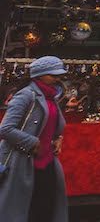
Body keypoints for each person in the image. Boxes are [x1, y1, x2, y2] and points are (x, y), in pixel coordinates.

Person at [0, 56, 70, 222]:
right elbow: (5, 128)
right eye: (53, 75)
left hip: (46, 161)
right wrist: (33, 143)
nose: (57, 78)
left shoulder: (51, 96)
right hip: (23, 161)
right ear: (38, 75)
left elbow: (51, 125)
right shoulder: (25, 96)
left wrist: (58, 137)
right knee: (26, 209)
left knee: (45, 207)